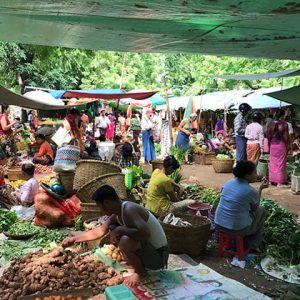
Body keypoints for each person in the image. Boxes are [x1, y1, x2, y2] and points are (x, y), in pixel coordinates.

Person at [62, 185, 168, 286]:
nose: (101, 211)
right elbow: (99, 231)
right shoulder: (117, 213)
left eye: (100, 207)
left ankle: (142, 274)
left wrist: (120, 229)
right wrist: (74, 239)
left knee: (125, 240)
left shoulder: (128, 209)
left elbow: (145, 234)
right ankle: (138, 266)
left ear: (107, 203)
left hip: (158, 257)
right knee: (116, 231)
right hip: (150, 252)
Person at [214, 160, 268, 250]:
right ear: (247, 175)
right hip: (237, 229)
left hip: (218, 224)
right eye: (254, 172)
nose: (256, 174)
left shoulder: (228, 183)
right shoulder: (250, 191)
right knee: (262, 210)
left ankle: (236, 242)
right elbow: (254, 208)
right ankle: (254, 244)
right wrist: (260, 189)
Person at [267, 109, 290, 187]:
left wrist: (269, 144)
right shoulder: (284, 124)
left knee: (272, 162)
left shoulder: (270, 123)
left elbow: (268, 136)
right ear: (283, 115)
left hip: (273, 145)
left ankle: (271, 180)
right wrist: (288, 147)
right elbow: (286, 137)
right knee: (281, 163)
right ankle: (279, 182)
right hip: (281, 145)